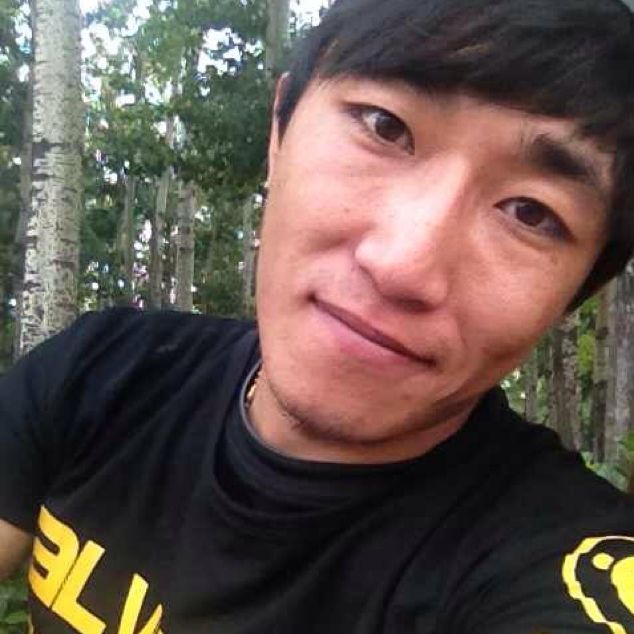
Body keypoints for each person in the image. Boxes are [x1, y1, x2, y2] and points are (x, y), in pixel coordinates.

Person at [1, 0, 634, 631]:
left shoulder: (564, 565)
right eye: (385, 127)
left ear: (578, 289)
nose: (403, 265)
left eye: (531, 213)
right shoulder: (105, 373)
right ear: (279, 131)